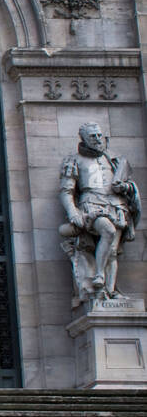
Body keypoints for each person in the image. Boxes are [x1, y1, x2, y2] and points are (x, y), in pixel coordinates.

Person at [59, 121, 139, 298]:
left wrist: (124, 188)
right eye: (92, 136)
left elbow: (129, 185)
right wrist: (73, 211)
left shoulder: (113, 159)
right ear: (83, 138)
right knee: (108, 231)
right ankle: (99, 276)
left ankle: (109, 291)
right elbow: (66, 191)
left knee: (111, 252)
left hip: (116, 205)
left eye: (99, 135)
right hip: (91, 205)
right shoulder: (74, 160)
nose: (97, 139)